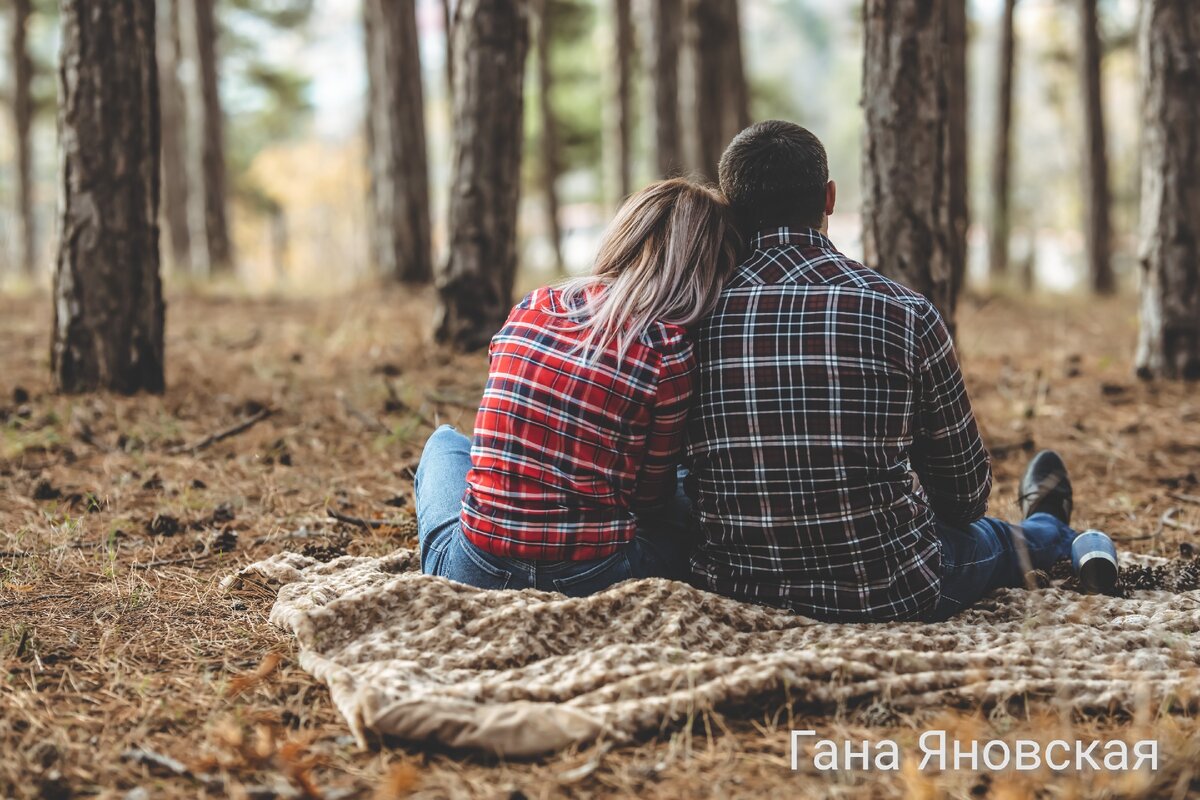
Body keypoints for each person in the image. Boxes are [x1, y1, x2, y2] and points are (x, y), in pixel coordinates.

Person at [683, 120, 1080, 622]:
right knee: (998, 538)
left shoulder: (687, 318)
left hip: (735, 587)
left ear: (731, 204)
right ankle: (1054, 529)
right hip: (891, 589)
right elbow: (964, 497)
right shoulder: (903, 309)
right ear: (829, 198)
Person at [414, 179, 741, 596]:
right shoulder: (667, 351)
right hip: (597, 580)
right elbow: (652, 501)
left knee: (444, 442)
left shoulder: (534, 306)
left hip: (473, 574)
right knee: (682, 478)